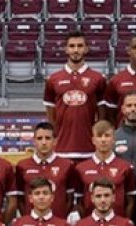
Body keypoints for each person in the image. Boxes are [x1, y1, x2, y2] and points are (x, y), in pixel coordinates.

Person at [43, 30, 107, 159]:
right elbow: (51, 115)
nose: (76, 50)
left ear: (86, 49)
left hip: (90, 150)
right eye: (72, 46)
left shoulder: (98, 79)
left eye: (80, 46)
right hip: (61, 150)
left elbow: (102, 116)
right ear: (66, 49)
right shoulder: (53, 79)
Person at [73, 120, 136, 219]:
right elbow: (79, 201)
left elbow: (130, 200)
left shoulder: (126, 167)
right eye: (99, 136)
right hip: (90, 224)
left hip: (118, 224)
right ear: (93, 140)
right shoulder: (81, 168)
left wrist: (126, 221)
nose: (103, 140)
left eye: (107, 136)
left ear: (113, 139)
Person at [14, 122, 77, 219]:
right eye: (39, 138)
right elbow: (20, 200)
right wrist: (28, 219)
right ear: (34, 140)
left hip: (58, 224)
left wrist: (60, 219)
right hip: (30, 224)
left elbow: (70, 200)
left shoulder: (67, 165)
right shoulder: (22, 165)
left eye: (48, 138)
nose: (44, 142)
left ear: (55, 141)